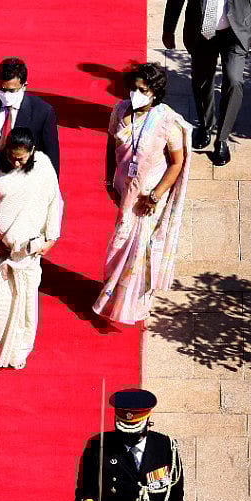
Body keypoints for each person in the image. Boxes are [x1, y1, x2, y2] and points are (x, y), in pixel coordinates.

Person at [93, 63, 191, 326]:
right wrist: (109, 179)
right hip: (126, 193)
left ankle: (134, 305)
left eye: (143, 90)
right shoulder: (119, 110)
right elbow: (111, 145)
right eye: (133, 88)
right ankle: (114, 295)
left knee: (139, 248)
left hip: (148, 198)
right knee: (119, 244)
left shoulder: (167, 122)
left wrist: (156, 195)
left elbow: (176, 162)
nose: (136, 94)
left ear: (155, 93)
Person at [0, 128, 64, 369]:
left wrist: (50, 240)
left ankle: (17, 352)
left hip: (28, 252)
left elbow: (55, 201)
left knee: (25, 304)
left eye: (22, 158)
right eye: (11, 156)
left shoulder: (44, 166)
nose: (16, 162)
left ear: (32, 152)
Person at [163, 0, 251, 166]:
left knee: (234, 80)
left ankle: (222, 139)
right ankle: (205, 125)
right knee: (202, 80)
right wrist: (168, 29)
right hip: (202, 31)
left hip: (236, 32)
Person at [0, 57, 60, 199]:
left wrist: (50, 193)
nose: (6, 95)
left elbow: (52, 158)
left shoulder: (43, 112)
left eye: (12, 91)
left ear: (24, 85)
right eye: (2, 89)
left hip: (26, 187)